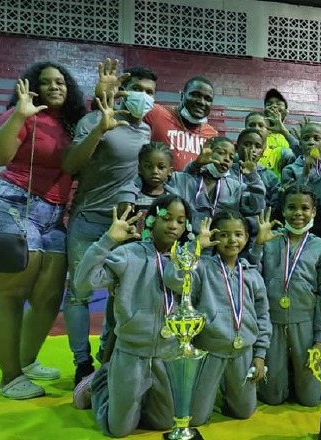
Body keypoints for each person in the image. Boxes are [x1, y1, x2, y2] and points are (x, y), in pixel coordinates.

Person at [0, 62, 86, 399]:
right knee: (10, 297)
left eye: (61, 81)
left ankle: (27, 360)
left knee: (49, 298)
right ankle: (10, 376)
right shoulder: (22, 114)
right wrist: (19, 115)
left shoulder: (71, 122)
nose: (55, 86)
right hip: (11, 206)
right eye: (46, 82)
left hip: (54, 216)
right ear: (32, 87)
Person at [71, 195, 205, 437]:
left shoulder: (187, 260)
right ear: (151, 220)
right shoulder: (128, 255)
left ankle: (130, 397)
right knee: (118, 430)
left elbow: (188, 293)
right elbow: (83, 281)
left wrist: (192, 254)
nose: (173, 225)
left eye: (181, 221)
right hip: (132, 352)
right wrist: (107, 241)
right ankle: (99, 384)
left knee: (164, 423)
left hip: (167, 353)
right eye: (167, 218)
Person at [63, 65, 158, 385]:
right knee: (79, 294)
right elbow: (70, 166)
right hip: (89, 221)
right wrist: (99, 130)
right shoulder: (94, 121)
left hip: (127, 225)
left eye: (151, 93)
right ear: (123, 90)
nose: (145, 97)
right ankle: (81, 363)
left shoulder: (146, 131)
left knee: (122, 294)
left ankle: (108, 356)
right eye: (139, 89)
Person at [164, 209, 270, 425]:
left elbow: (263, 315)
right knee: (196, 419)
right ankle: (211, 391)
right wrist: (196, 247)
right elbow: (173, 279)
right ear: (213, 237)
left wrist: (260, 355)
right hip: (210, 350)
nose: (232, 240)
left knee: (244, 412)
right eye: (224, 234)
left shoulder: (251, 274)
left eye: (238, 234)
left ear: (246, 238)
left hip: (243, 352)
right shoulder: (201, 267)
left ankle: (227, 392)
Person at [250, 187, 321, 407]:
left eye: (305, 208)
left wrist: (320, 340)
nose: (298, 213)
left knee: (311, 400)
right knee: (272, 398)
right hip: (272, 322)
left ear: (313, 211)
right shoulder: (270, 239)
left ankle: (298, 383)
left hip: (305, 323)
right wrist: (258, 244)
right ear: (283, 211)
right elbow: (250, 275)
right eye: (291, 207)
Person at [94, 59, 218, 171]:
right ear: (182, 95)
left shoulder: (212, 135)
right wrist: (103, 96)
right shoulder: (157, 113)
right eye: (195, 94)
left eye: (207, 98)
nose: (201, 102)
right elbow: (109, 113)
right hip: (158, 193)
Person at [176, 136, 265, 227]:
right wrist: (196, 164)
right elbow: (183, 178)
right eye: (221, 153)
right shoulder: (192, 178)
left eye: (231, 157)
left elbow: (256, 207)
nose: (227, 159)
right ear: (209, 152)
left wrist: (253, 177)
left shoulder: (236, 187)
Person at [281, 122, 321, 243]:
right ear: (300, 143)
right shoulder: (290, 169)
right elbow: (293, 198)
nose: (311, 142)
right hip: (301, 223)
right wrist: (305, 174)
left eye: (316, 138)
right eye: (306, 138)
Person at [116, 141, 179, 235]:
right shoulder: (130, 197)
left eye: (161, 167)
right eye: (148, 166)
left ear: (169, 171)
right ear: (140, 169)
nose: (154, 171)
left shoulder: (173, 200)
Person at [230, 128, 280, 209]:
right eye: (247, 144)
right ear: (236, 147)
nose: (252, 149)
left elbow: (274, 208)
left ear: (262, 152)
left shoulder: (271, 177)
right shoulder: (227, 171)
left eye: (257, 146)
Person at [259, 89, 300, 176]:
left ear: (286, 112)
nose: (273, 106)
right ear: (265, 111)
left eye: (278, 104)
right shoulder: (258, 136)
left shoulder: (292, 138)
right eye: (269, 104)